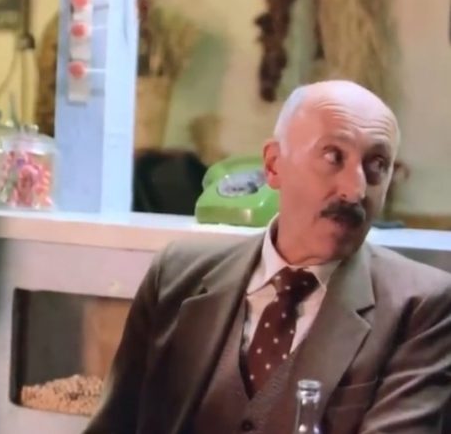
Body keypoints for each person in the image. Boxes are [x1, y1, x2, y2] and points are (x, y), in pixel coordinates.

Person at [85, 80, 451, 434]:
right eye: (333, 156)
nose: (355, 190)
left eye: (377, 165)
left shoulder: (421, 307)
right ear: (274, 165)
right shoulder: (176, 276)